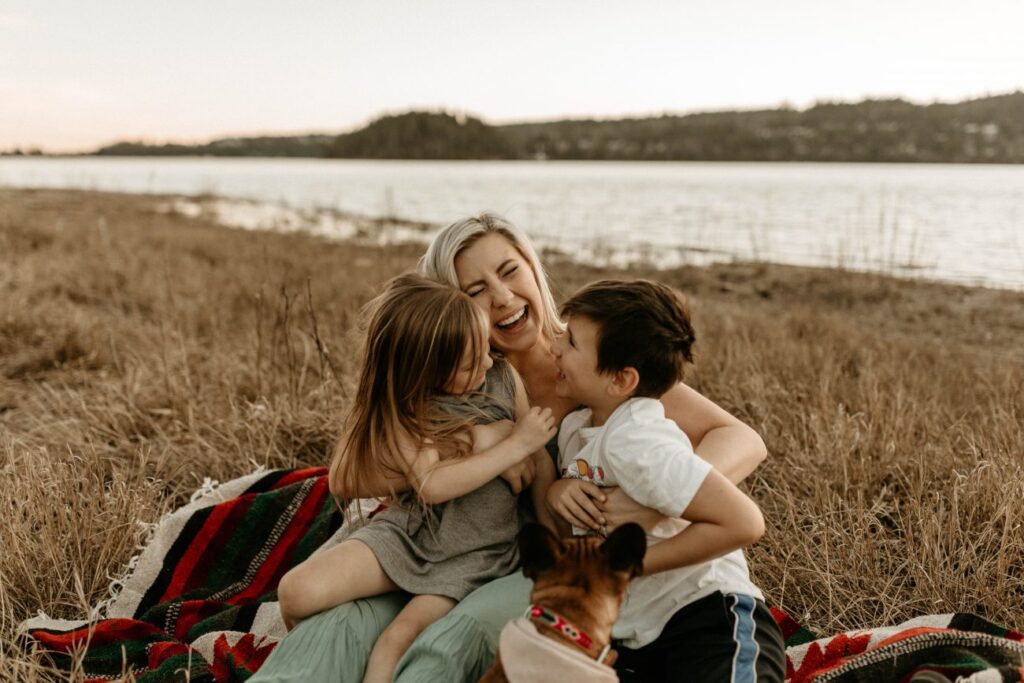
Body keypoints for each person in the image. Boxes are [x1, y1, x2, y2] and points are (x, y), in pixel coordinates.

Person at [253, 213, 768, 682]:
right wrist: (477, 441)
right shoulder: (447, 375)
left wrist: (653, 501)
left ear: (532, 267)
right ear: (451, 306)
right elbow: (348, 476)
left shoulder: (598, 363)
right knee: (336, 627)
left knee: (451, 641)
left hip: (527, 562)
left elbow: (742, 439)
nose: (501, 297)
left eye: (509, 270)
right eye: (475, 289)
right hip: (439, 541)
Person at [274, 273, 557, 683]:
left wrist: (553, 534)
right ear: (426, 371)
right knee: (296, 591)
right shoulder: (408, 407)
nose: (487, 361)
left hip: (476, 548)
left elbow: (540, 466)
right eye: (469, 361)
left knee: (398, 637)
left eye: (484, 348)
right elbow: (430, 485)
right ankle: (324, 663)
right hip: (409, 534)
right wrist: (508, 446)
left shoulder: (500, 377)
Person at [551, 279, 785, 681]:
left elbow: (743, 522)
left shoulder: (638, 438)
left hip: (707, 615)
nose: (554, 347)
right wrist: (559, 488)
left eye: (571, 342)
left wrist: (626, 566)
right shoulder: (578, 428)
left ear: (621, 381)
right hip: (638, 636)